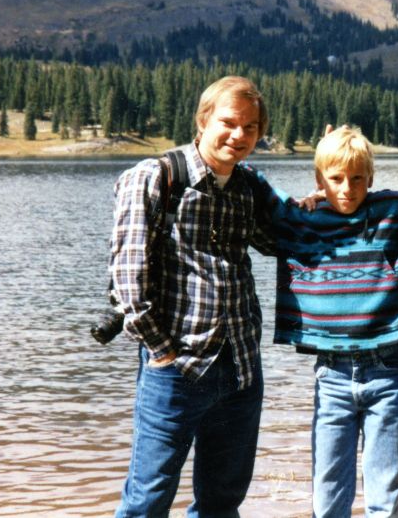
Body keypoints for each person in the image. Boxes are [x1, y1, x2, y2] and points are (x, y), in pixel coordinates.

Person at [109, 76, 276, 517]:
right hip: (176, 369)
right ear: (203, 121)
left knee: (222, 502)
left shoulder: (248, 186)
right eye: (229, 123)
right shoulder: (154, 177)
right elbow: (128, 282)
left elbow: (283, 240)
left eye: (251, 128)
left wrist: (321, 202)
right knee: (147, 501)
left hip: (241, 367)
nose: (239, 135)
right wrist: (162, 353)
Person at [262, 127, 398, 517]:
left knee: (385, 491)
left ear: (371, 177)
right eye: (335, 179)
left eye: (357, 178)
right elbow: (257, 189)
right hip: (331, 375)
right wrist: (314, 195)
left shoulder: (393, 213)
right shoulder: (304, 220)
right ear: (319, 179)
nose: (347, 189)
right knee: (328, 489)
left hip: (387, 371)